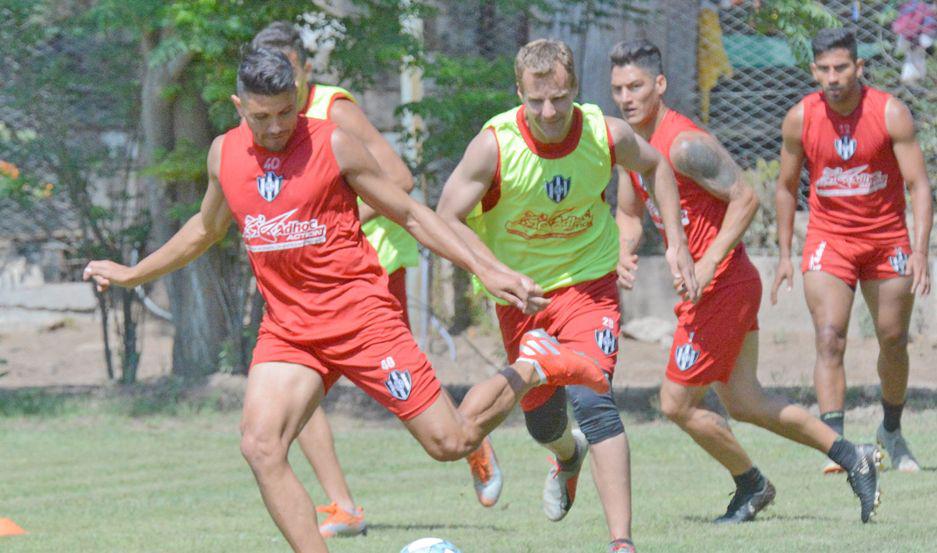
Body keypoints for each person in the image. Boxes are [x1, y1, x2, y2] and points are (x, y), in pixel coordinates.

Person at [83, 47, 609, 553]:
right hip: (289, 330)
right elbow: (205, 228)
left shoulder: (334, 144)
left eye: (286, 112)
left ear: (298, 96)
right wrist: (133, 274)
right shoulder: (224, 152)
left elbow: (411, 214)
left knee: (451, 443)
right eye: (262, 116)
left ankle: (533, 364)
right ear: (240, 106)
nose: (276, 127)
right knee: (261, 446)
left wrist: (485, 269)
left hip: (361, 320)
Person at [437, 38, 699, 553]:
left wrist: (677, 244)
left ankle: (621, 542)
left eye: (559, 98)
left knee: (595, 400)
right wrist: (491, 272)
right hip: (523, 299)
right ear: (519, 94)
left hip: (589, 287)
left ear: (575, 87)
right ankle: (566, 455)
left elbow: (656, 166)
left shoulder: (605, 134)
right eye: (536, 101)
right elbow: (446, 216)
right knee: (544, 422)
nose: (549, 112)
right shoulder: (494, 145)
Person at [609, 39, 883, 524]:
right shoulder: (632, 147)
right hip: (711, 288)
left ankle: (751, 485)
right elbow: (630, 214)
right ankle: (853, 455)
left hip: (723, 285)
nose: (626, 98)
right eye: (618, 89)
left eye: (636, 86)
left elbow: (746, 198)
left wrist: (709, 262)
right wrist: (624, 250)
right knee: (747, 401)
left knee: (675, 402)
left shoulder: (684, 144)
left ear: (660, 84)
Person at [250, 22, 503, 539]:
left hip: (369, 271)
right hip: (304, 289)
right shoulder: (261, 125)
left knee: (412, 396)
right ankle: (343, 505)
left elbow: (401, 180)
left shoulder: (334, 111)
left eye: (288, 72)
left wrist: (330, 223)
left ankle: (469, 438)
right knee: (291, 395)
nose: (280, 84)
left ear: (305, 70)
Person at [772, 28, 933, 474]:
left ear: (859, 67)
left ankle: (891, 431)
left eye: (841, 67)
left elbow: (919, 185)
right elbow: (785, 187)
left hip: (886, 239)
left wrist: (921, 251)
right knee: (829, 337)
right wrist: (784, 254)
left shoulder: (890, 112)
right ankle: (838, 447)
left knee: (893, 339)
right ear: (813, 71)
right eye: (824, 69)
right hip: (830, 239)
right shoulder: (800, 118)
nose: (833, 77)